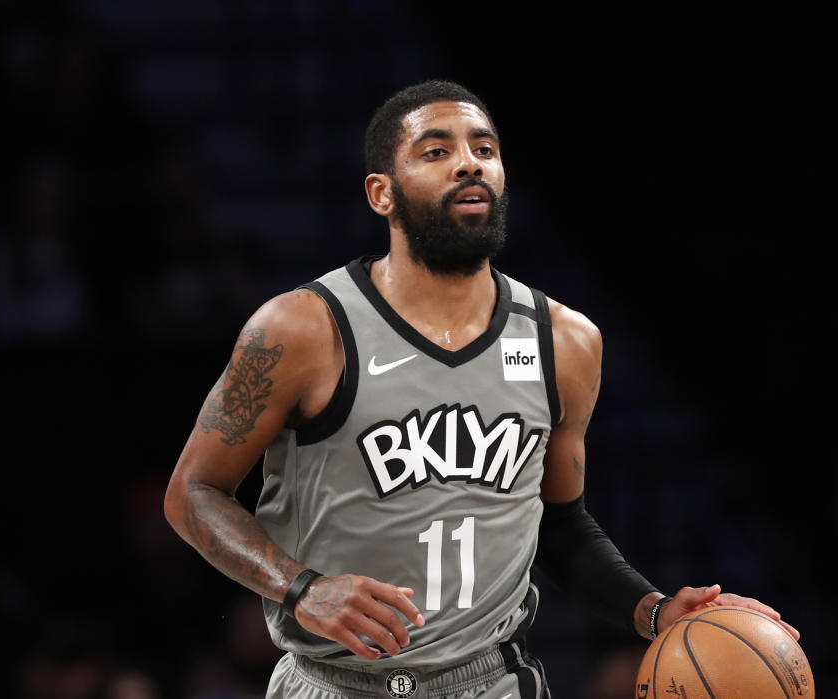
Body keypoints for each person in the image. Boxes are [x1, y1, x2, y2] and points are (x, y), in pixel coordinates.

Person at [164, 80, 798, 699]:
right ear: (381, 193)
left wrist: (652, 610)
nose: (468, 163)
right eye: (436, 151)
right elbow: (192, 492)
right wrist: (300, 587)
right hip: (333, 682)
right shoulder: (302, 329)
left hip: (491, 681)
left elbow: (557, 522)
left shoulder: (566, 343)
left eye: (484, 149)